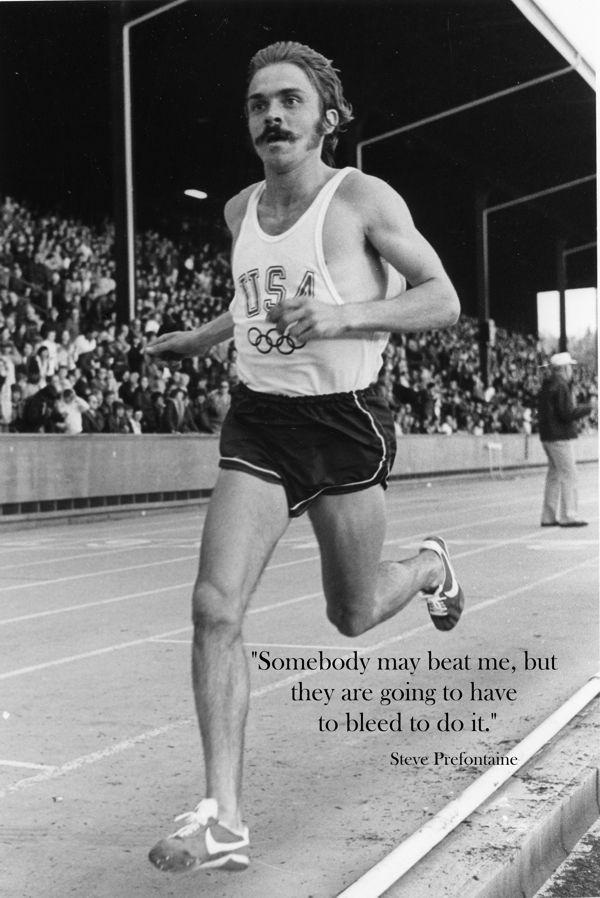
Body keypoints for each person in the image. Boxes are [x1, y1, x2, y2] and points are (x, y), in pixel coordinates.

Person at [146, 41, 464, 876]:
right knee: (214, 606)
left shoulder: (360, 199)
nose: (272, 116)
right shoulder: (238, 209)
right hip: (259, 421)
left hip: (343, 421)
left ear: (327, 118)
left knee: (352, 613)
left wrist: (343, 316)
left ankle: (428, 567)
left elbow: (442, 298)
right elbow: (253, 299)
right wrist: (202, 337)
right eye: (259, 104)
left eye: (289, 100)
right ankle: (223, 818)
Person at [538, 351, 593, 527]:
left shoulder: (547, 384)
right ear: (563, 369)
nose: (571, 371)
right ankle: (568, 516)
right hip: (559, 436)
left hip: (548, 435)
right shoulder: (561, 385)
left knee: (554, 475)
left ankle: (548, 516)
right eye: (569, 367)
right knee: (570, 475)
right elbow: (566, 413)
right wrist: (589, 408)